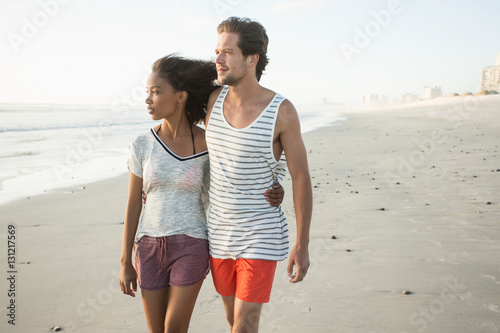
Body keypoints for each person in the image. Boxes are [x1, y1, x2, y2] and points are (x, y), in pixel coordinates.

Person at [119, 54, 284, 333]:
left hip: (191, 243)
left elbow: (235, 177)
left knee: (173, 328)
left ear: (181, 96)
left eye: (156, 92)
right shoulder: (142, 144)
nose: (148, 99)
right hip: (147, 247)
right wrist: (125, 260)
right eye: (147, 92)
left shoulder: (210, 143)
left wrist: (274, 187)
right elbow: (134, 204)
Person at [205, 17, 313, 333]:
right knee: (233, 321)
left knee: (244, 325)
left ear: (252, 59)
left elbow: (301, 177)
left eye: (227, 52)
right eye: (216, 51)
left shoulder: (282, 111)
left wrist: (302, 244)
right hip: (218, 233)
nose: (218, 59)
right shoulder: (211, 100)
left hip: (261, 231)